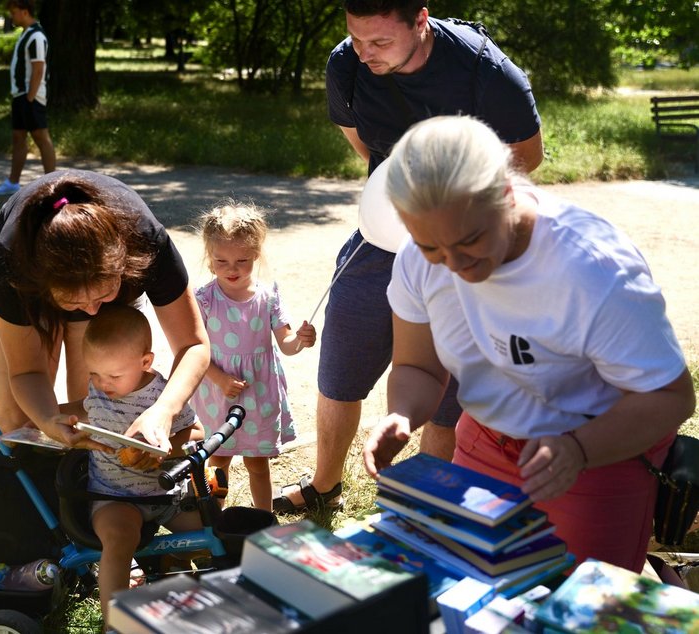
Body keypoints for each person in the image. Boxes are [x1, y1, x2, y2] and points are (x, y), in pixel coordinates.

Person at [362, 115, 695, 572]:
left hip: (599, 453)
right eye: (432, 248)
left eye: (470, 240)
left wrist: (578, 449)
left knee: (573, 606)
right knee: (471, 584)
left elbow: (670, 396)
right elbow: (418, 367)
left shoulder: (592, 270)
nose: (454, 264)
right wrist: (401, 414)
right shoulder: (418, 257)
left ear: (505, 193)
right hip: (484, 438)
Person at [273, 0, 543, 514]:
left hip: (458, 239)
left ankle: (424, 501)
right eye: (357, 38)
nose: (365, 53)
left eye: (380, 42)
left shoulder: (486, 73)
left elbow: (526, 158)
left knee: (446, 385)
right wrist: (399, 211)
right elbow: (362, 145)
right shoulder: (346, 65)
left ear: (421, 21)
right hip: (380, 235)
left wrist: (449, 212)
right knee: (341, 361)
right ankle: (325, 483)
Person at [0, 169, 210, 458]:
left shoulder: (145, 240)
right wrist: (48, 420)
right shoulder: (12, 266)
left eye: (103, 296)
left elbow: (193, 345)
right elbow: (27, 372)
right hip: (23, 279)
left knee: (97, 411)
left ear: (122, 268)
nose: (92, 312)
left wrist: (164, 410)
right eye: (75, 304)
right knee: (17, 422)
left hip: (114, 255)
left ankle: (82, 497)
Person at [57, 304, 204, 622]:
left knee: (205, 533)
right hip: (114, 496)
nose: (101, 383)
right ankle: (115, 622)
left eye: (112, 375)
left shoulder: (163, 394)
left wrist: (166, 447)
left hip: (167, 494)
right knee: (119, 540)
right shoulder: (98, 394)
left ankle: (172, 568)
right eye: (93, 373)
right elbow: (75, 412)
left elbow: (198, 432)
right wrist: (50, 417)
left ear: (145, 362)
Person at [191, 202, 317, 511]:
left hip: (258, 395)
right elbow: (195, 348)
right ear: (209, 259)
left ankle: (264, 518)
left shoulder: (268, 296)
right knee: (218, 459)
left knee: (258, 464)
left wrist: (300, 341)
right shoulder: (205, 299)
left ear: (256, 255)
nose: (231, 269)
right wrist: (219, 378)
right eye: (221, 260)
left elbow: (285, 341)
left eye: (241, 260)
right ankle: (214, 521)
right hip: (219, 394)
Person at [0, 0, 56, 196]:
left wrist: (30, 97)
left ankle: (52, 184)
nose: (12, 16)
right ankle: (13, 182)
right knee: (18, 137)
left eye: (14, 12)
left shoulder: (36, 36)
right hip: (21, 96)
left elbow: (38, 68)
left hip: (30, 97)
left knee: (41, 137)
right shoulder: (26, 34)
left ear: (25, 12)